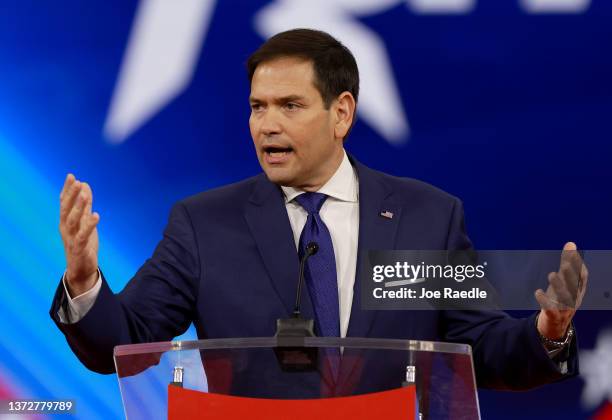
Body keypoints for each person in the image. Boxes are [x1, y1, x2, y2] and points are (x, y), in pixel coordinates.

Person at [51, 29, 585, 393]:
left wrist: (548, 331)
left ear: (342, 114)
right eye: (258, 107)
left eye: (290, 105)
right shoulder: (204, 224)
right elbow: (121, 347)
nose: (267, 125)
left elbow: (483, 348)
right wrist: (83, 279)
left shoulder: (428, 216)